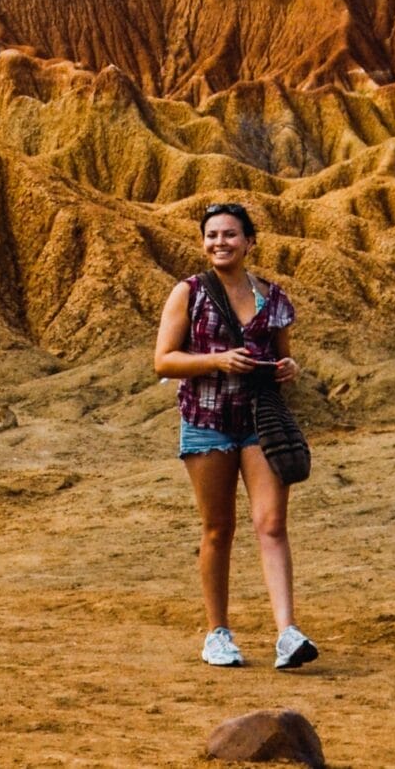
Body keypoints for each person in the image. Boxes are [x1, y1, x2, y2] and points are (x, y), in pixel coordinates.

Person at [152, 201, 318, 671]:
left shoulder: (274, 297)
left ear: (249, 241)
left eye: (229, 235)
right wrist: (217, 360)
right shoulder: (189, 293)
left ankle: (287, 633)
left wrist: (288, 368)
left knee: (272, 525)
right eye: (211, 235)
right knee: (218, 528)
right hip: (206, 422)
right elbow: (163, 361)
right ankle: (217, 634)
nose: (219, 243)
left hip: (259, 422)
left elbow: (283, 356)